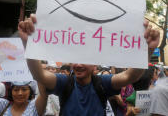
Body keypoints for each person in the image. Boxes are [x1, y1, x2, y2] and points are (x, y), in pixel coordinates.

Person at [18, 14, 160, 116]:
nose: (78, 64)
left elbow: (130, 76)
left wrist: (148, 50)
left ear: (95, 65)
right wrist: (28, 44)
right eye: (75, 59)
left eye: (84, 59)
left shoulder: (103, 83)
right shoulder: (64, 82)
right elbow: (39, 75)